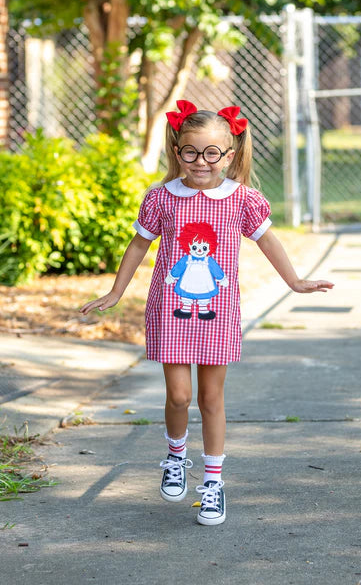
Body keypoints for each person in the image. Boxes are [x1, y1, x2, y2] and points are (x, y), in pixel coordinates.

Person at [80, 99, 334, 526]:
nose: (201, 161)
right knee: (179, 396)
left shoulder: (242, 199)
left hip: (219, 313)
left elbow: (268, 242)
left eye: (212, 152)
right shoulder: (161, 197)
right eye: (191, 151)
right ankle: (175, 455)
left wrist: (294, 281)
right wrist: (115, 290)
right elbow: (140, 245)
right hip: (171, 310)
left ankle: (213, 483)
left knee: (211, 398)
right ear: (177, 151)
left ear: (229, 155)